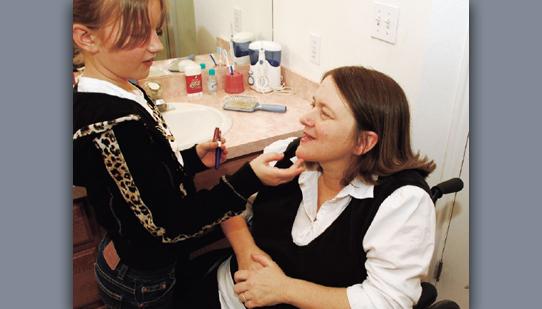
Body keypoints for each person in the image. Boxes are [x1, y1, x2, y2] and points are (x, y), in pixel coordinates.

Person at [71, 0, 304, 308]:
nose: (156, 45)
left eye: (155, 31)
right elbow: (168, 225)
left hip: (131, 253)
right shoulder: (112, 124)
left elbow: (145, 175)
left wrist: (192, 158)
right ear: (87, 38)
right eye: (138, 34)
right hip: (142, 281)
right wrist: (248, 179)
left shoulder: (122, 86)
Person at [190, 65, 437, 309]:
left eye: (325, 113)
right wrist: (247, 252)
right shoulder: (287, 156)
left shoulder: (402, 202)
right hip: (226, 293)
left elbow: (385, 301)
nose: (305, 119)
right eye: (313, 105)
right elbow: (229, 206)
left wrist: (284, 289)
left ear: (363, 141)